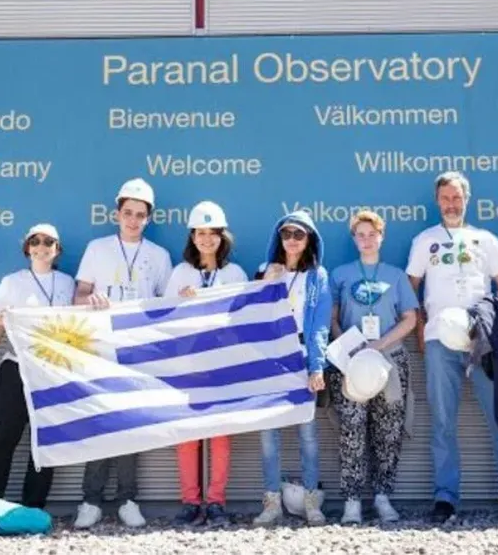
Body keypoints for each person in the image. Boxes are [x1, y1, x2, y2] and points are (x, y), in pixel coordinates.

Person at [406, 171, 498, 524]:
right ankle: (445, 497)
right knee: (443, 421)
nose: (451, 204)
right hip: (439, 340)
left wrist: (488, 307)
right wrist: (420, 326)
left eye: (457, 198)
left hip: (483, 341)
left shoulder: (485, 239)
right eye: (445, 198)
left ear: (467, 199)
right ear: (437, 201)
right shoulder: (424, 241)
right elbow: (409, 287)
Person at [72, 177, 173, 529]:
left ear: (148, 218)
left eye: (140, 214)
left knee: (131, 425)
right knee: (101, 422)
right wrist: (91, 300)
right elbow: (78, 296)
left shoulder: (159, 257)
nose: (133, 220)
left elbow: (167, 305)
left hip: (138, 354)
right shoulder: (97, 249)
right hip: (100, 350)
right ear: (117, 214)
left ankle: (128, 498)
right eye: (127, 213)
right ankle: (91, 500)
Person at [0, 223, 76, 510]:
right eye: (36, 241)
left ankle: (33, 506)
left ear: (57, 250)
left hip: (52, 370)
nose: (42, 247)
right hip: (16, 367)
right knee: (4, 436)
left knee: (45, 440)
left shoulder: (67, 283)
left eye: (49, 242)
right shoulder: (12, 281)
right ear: (27, 247)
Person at [328, 210, 419, 524]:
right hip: (352, 364)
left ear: (382, 236)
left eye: (371, 234)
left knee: (388, 432)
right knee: (352, 431)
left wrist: (377, 346)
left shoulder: (395, 276)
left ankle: (382, 497)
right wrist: (351, 347)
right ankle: (352, 501)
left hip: (389, 361)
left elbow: (410, 318)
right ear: (354, 238)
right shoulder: (340, 274)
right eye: (360, 234)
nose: (366, 240)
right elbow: (333, 318)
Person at [164, 201, 248, 527]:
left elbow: (244, 319)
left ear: (222, 236)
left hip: (223, 366)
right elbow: (164, 318)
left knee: (220, 437)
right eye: (201, 232)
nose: (207, 239)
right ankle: (190, 501)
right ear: (192, 236)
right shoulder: (180, 273)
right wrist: (179, 303)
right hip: (188, 364)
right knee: (187, 436)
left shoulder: (235, 274)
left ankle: (215, 502)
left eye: (213, 233)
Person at [252, 211, 331, 526]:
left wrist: (317, 365)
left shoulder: (318, 275)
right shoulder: (264, 270)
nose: (293, 240)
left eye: (299, 234)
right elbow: (248, 316)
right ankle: (271, 502)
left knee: (307, 434)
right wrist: (266, 282)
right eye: (287, 234)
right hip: (270, 358)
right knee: (268, 436)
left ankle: (311, 501)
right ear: (279, 238)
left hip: (301, 354)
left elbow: (320, 325)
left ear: (309, 238)